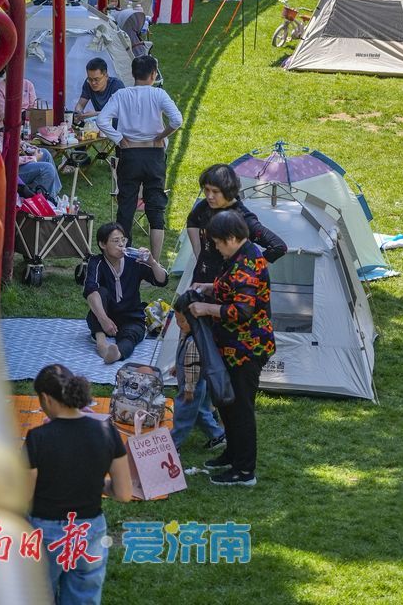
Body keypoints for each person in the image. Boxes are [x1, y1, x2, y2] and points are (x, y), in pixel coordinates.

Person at [24, 364, 131, 604]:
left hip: (45, 532)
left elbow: (25, 496)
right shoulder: (107, 432)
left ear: (46, 398)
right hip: (89, 532)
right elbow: (124, 493)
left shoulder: (37, 438)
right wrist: (98, 483)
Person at [188, 209, 275, 487]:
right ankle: (232, 454)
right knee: (226, 402)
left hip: (247, 348)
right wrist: (211, 287)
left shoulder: (249, 264)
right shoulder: (238, 256)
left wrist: (206, 308)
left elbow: (242, 311)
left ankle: (244, 471)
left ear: (233, 238)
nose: (214, 247)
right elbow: (230, 287)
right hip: (231, 345)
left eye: (217, 242)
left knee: (241, 409)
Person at [97, 55, 182, 261]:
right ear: (153, 75)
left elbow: (102, 120)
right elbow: (177, 120)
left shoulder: (121, 94)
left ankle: (122, 257)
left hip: (130, 154)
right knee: (155, 208)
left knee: (126, 205)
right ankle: (155, 261)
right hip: (153, 154)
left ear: (133, 74)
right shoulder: (158, 94)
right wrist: (161, 136)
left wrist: (119, 138)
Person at [187, 163, 286, 286]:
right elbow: (192, 220)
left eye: (215, 191)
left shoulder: (243, 218)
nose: (209, 196)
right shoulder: (206, 205)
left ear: (228, 191)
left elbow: (279, 247)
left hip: (228, 287)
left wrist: (245, 269)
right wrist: (199, 254)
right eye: (206, 189)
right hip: (200, 278)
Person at [83, 222, 168, 363]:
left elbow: (162, 281)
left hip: (131, 314)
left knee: (132, 335)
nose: (121, 245)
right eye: (116, 241)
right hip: (105, 313)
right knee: (99, 293)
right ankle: (101, 342)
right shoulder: (97, 262)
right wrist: (104, 320)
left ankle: (116, 353)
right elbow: (90, 291)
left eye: (123, 240)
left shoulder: (133, 260)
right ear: (103, 245)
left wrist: (152, 262)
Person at [0, 90, 61, 198]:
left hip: (0, 167)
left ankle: (53, 197)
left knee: (45, 153)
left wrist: (23, 149)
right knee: (47, 169)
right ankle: (36, 199)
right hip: (1, 173)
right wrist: (32, 158)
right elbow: (4, 162)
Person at [170, 295, 225, 457]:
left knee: (183, 415)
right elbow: (185, 358)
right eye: (177, 320)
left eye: (183, 321)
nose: (179, 325)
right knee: (200, 412)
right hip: (192, 383)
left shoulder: (194, 341)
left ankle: (174, 445)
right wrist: (176, 366)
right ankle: (218, 435)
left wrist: (188, 389)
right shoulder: (187, 333)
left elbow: (193, 368)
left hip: (192, 386)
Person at [74, 57, 124, 121]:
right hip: (100, 125)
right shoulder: (87, 83)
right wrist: (78, 112)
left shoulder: (116, 85)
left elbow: (120, 111)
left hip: (117, 127)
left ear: (106, 76)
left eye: (96, 79)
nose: (93, 83)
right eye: (90, 79)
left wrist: (95, 114)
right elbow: (81, 104)